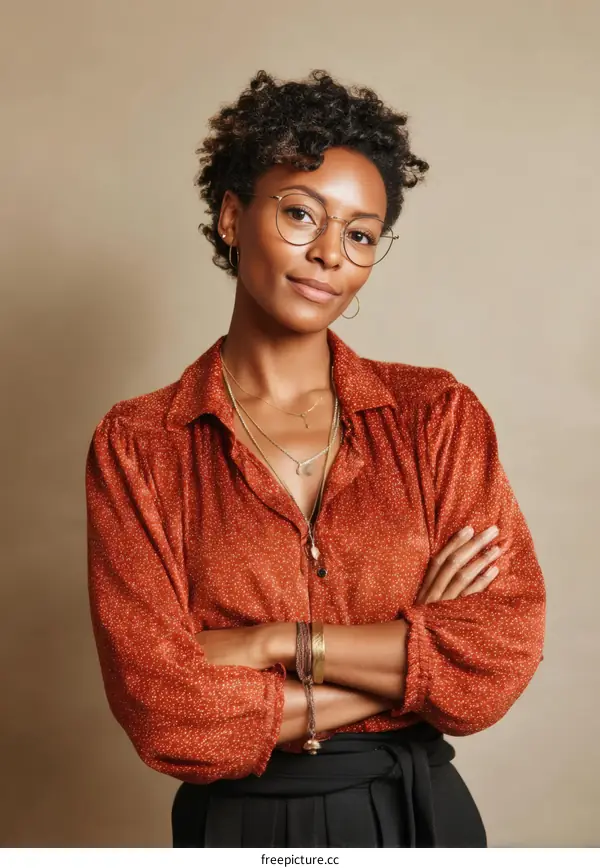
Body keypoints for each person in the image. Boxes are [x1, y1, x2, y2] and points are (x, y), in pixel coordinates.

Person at [85, 69, 546, 848]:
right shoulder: (140, 445)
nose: (330, 253)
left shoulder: (435, 416)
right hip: (242, 823)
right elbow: (166, 711)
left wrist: (274, 642)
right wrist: (413, 657)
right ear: (232, 217)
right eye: (300, 214)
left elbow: (497, 658)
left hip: (421, 816)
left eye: (360, 234)